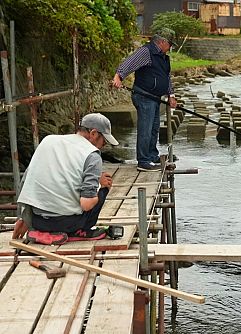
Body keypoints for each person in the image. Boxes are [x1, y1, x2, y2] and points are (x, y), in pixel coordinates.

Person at [16, 113, 118, 245]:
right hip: (66, 224)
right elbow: (86, 204)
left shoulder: (48, 140)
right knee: (105, 185)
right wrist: (100, 186)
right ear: (93, 133)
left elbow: (26, 181)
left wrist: (22, 217)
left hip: (37, 221)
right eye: (103, 141)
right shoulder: (92, 155)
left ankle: (41, 232)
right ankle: (79, 231)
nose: (103, 146)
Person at [111, 27, 178, 172]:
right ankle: (143, 160)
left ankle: (152, 155)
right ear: (162, 42)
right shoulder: (146, 52)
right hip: (143, 96)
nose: (171, 47)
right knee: (145, 129)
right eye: (170, 44)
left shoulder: (164, 57)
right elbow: (129, 63)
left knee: (154, 128)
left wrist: (171, 95)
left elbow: (166, 77)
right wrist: (119, 76)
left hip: (155, 98)